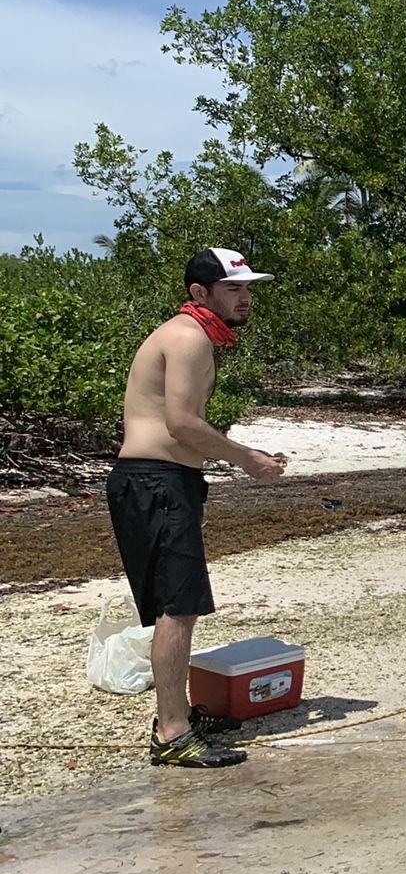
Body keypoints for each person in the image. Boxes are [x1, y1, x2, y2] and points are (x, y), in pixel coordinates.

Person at [108, 248, 286, 768]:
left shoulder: (192, 336)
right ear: (199, 294)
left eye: (249, 289)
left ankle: (175, 715)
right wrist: (248, 458)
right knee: (178, 608)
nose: (246, 298)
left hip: (160, 483)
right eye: (235, 289)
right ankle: (173, 733)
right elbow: (182, 424)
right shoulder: (188, 338)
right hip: (155, 483)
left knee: (175, 605)